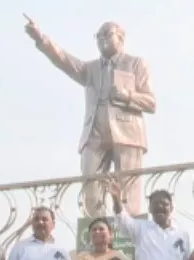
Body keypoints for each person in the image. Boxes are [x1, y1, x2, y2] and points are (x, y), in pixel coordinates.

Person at [24, 18, 155, 217]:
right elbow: (64, 61)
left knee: (127, 187)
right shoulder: (90, 69)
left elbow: (151, 102)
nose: (102, 39)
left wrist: (127, 96)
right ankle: (96, 228)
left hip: (128, 133)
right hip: (94, 132)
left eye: (107, 35)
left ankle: (129, 231)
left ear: (121, 38)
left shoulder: (136, 64)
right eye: (98, 36)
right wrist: (41, 38)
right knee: (90, 184)